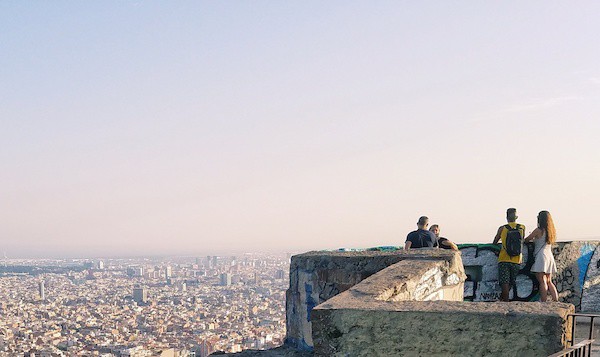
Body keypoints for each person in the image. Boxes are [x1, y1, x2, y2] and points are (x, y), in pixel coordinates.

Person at [524, 211, 558, 302]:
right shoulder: (551, 231)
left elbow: (527, 240)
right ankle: (556, 300)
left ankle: (544, 301)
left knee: (542, 281)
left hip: (541, 256)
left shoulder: (538, 230)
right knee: (549, 281)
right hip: (549, 255)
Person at [492, 208, 525, 302]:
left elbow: (494, 242)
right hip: (517, 259)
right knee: (511, 282)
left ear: (506, 217)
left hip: (504, 258)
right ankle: (503, 299)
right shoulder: (522, 227)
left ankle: (505, 302)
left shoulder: (502, 228)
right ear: (516, 217)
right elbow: (522, 240)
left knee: (504, 282)